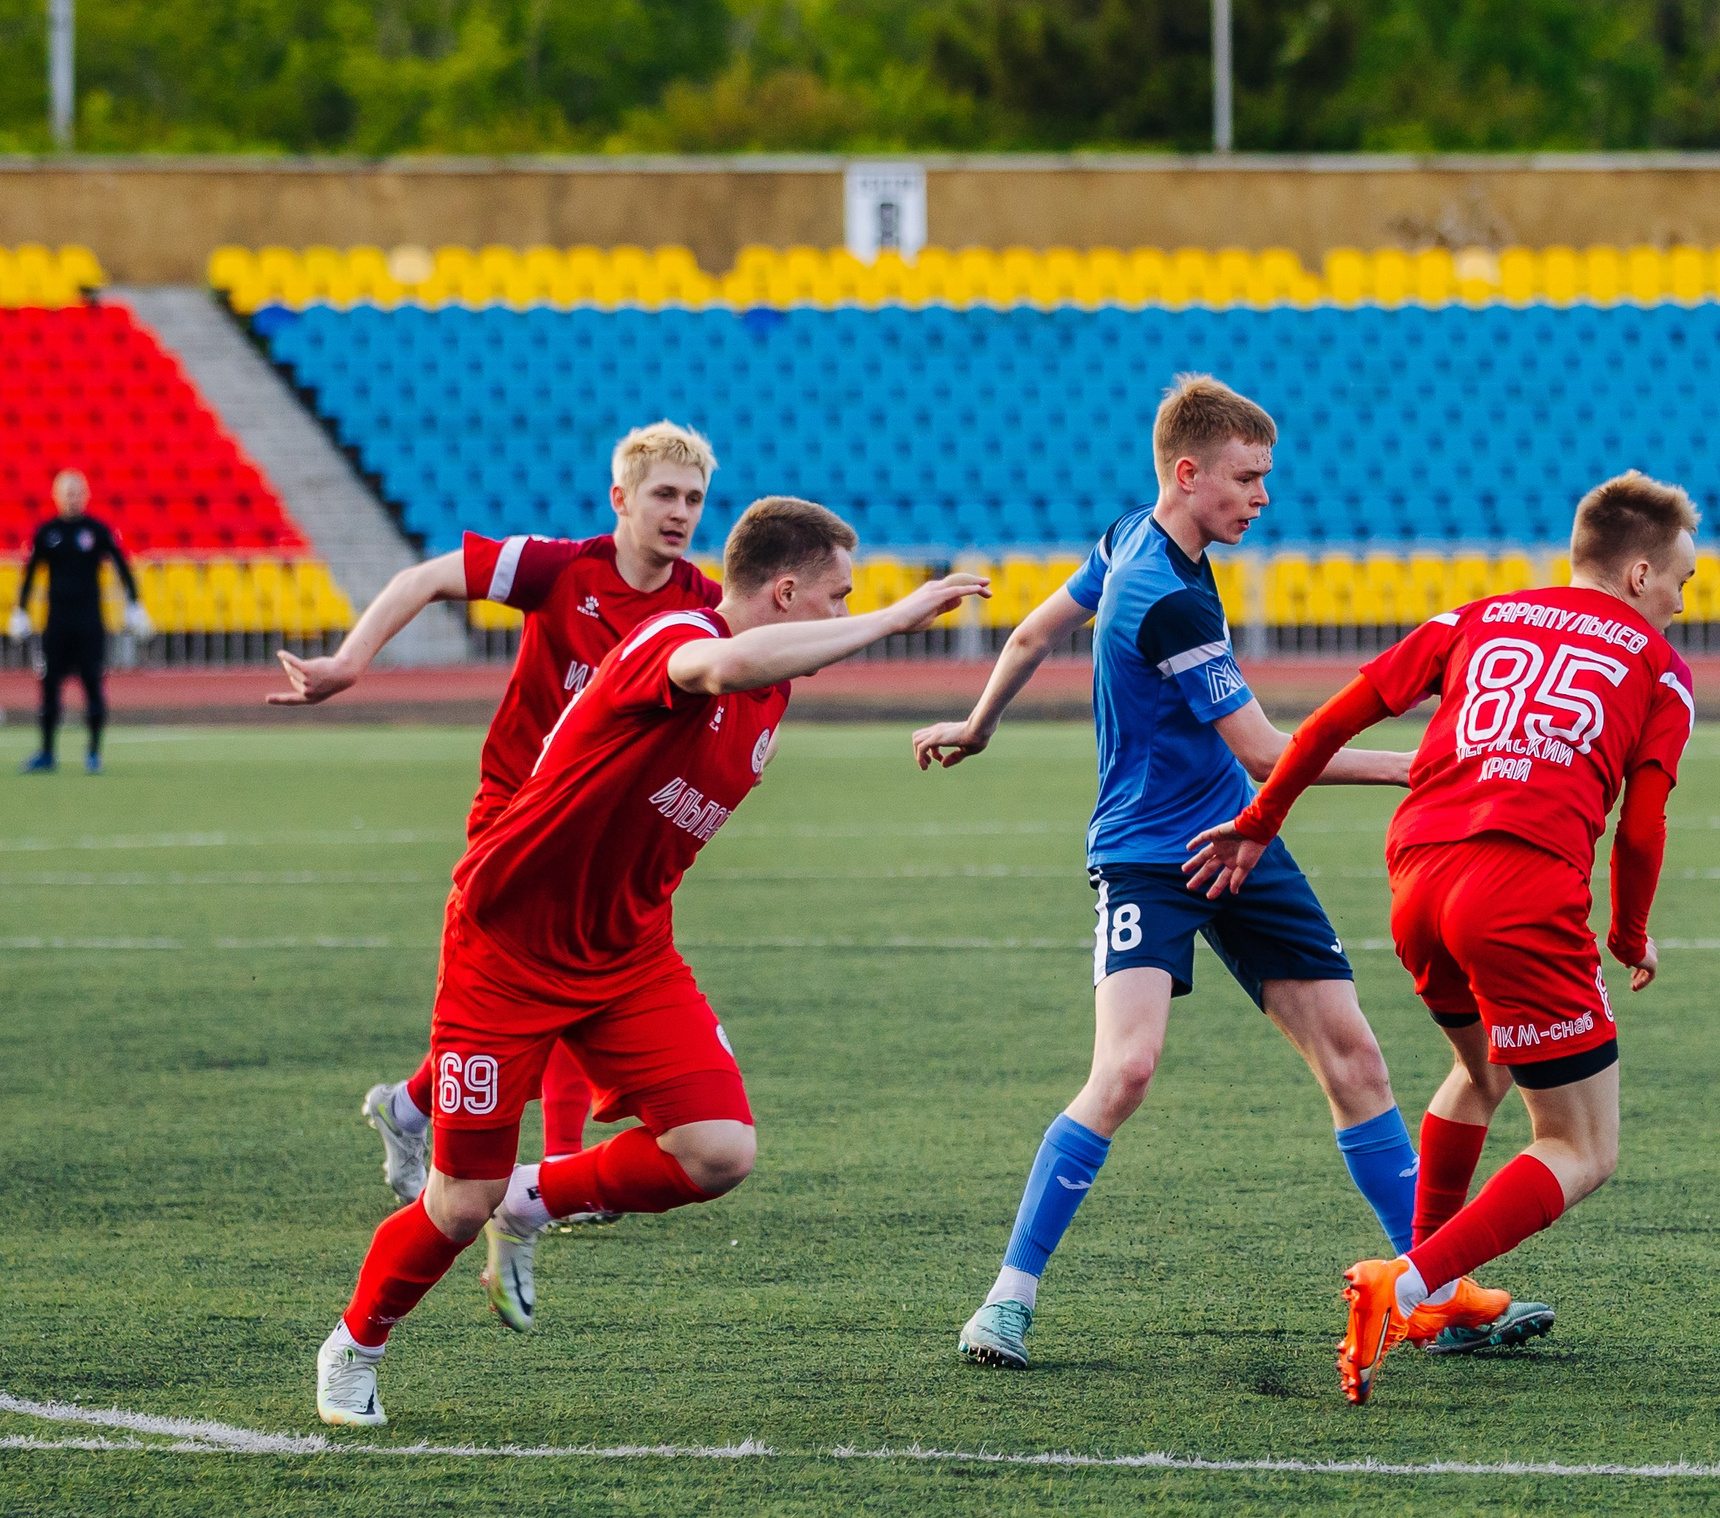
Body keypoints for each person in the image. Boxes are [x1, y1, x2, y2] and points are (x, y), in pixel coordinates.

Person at [912, 373, 1544, 1371]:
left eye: (1265, 477)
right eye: (1247, 478)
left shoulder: (1131, 534)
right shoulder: (1164, 597)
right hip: (1147, 855)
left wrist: (979, 722)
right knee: (1124, 1070)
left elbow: (1034, 630)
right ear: (1187, 472)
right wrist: (1416, 765)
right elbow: (1265, 752)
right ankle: (1005, 1299)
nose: (1262, 497)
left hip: (1239, 840)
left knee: (1356, 1061)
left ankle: (1432, 1294)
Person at [316, 498, 988, 1425]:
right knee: (458, 1203)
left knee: (719, 1151)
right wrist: (896, 617)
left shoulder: (774, 689)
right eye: (837, 595)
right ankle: (355, 1344)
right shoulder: (677, 637)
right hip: (506, 949)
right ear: (784, 592)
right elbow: (720, 664)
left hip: (627, 953)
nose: (845, 611)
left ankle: (532, 1199)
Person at [1185, 471, 1698, 1405]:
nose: (1680, 602)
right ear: (1638, 573)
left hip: (1418, 873)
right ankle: (1411, 1281)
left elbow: (1332, 720)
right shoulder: (1661, 668)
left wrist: (1261, 820)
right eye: (1681, 581)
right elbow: (1643, 827)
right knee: (1581, 1146)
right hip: (1519, 890)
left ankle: (1437, 1305)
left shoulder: (1475, 616)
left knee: (1483, 1069)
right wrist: (1628, 933)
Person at [270, 423, 724, 1208]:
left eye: (693, 498)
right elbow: (423, 578)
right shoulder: (561, 568)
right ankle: (553, 1166)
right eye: (664, 494)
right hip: (518, 819)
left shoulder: (702, 604)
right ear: (620, 498)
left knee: (568, 978)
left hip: (609, 834)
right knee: (557, 976)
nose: (680, 512)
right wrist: (348, 661)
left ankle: (411, 1106)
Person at [11, 469, 151, 775]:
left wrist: (134, 604)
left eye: (76, 493)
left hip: (89, 622)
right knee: (50, 687)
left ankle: (94, 753)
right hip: (57, 622)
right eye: (67, 493)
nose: (72, 499)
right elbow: (31, 573)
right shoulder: (47, 532)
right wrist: (20, 610)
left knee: (93, 684)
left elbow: (121, 565)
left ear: (85, 496)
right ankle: (47, 753)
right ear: (56, 496)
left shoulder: (96, 530)